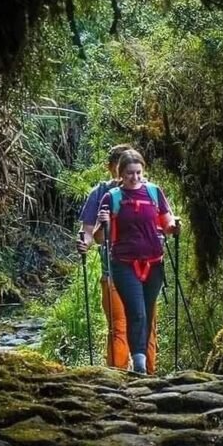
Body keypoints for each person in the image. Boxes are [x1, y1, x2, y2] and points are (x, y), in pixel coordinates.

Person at [94, 148, 179, 375]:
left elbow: (167, 222)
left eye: (139, 172)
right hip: (124, 264)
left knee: (148, 313)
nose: (135, 177)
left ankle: (141, 363)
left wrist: (175, 226)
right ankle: (139, 363)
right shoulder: (111, 197)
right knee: (136, 311)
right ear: (121, 173)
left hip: (154, 262)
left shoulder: (153, 192)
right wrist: (103, 222)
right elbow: (98, 238)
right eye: (130, 173)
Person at [77, 144, 156, 371]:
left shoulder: (149, 191)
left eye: (132, 167)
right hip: (112, 270)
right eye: (121, 166)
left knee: (146, 324)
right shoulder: (101, 193)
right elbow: (89, 231)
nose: (127, 172)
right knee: (118, 326)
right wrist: (84, 242)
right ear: (112, 168)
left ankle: (151, 377)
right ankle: (117, 378)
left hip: (146, 269)